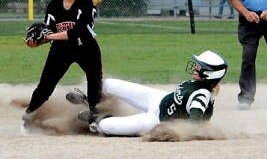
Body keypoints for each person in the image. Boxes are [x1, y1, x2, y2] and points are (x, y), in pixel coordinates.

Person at [21, 0, 103, 133]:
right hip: (61, 50)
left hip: (86, 47)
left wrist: (48, 36)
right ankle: (28, 117)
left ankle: (94, 115)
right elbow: (49, 31)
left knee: (94, 79)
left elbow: (77, 32)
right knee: (45, 87)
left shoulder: (85, 3)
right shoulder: (54, 5)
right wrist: (35, 42)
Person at [66, 50, 228, 136]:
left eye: (200, 66)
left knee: (108, 126)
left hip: (156, 119)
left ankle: (95, 117)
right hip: (158, 98)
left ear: (209, 74)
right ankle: (92, 99)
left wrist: (177, 132)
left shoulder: (202, 95)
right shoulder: (198, 83)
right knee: (109, 84)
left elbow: (194, 123)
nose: (195, 67)